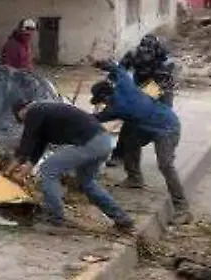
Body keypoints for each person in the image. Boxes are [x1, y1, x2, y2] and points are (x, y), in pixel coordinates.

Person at [11, 99, 135, 233]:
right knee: (87, 183)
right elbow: (37, 147)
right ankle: (122, 218)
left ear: (22, 110)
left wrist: (9, 169)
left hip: (89, 143)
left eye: (21, 120)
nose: (25, 123)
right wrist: (26, 169)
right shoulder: (45, 114)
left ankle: (55, 218)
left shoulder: (34, 110)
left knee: (48, 170)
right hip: (103, 141)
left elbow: (25, 144)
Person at [91, 60, 190, 224]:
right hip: (148, 125)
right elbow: (118, 69)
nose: (103, 105)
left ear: (106, 97)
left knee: (165, 164)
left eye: (102, 102)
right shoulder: (124, 84)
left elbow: (96, 119)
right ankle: (135, 178)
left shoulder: (119, 107)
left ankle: (182, 208)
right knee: (129, 139)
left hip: (166, 129)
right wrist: (103, 64)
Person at [109, 34, 176, 169]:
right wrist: (111, 85)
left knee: (163, 122)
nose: (144, 58)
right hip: (139, 84)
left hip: (161, 90)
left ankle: (167, 153)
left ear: (155, 53)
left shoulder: (166, 62)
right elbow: (118, 72)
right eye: (142, 54)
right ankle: (119, 154)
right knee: (130, 121)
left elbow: (156, 88)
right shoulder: (133, 54)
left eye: (148, 55)